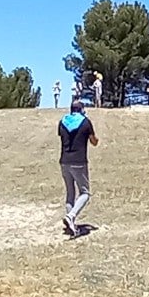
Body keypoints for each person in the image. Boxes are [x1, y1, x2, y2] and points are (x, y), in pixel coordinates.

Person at [58, 101, 99, 237]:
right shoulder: (85, 122)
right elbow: (94, 141)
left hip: (64, 161)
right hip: (79, 161)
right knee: (85, 193)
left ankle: (71, 224)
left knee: (70, 193)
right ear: (81, 109)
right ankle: (71, 216)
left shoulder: (62, 122)